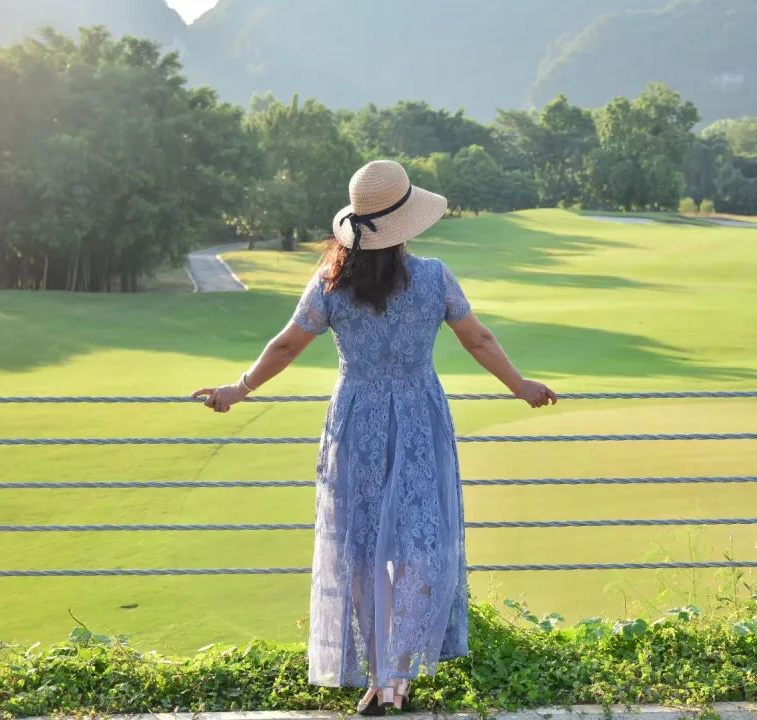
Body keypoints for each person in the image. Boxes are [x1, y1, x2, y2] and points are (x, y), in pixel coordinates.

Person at [192, 160, 556, 714]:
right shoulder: (434, 277)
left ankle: (379, 676)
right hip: (419, 419)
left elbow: (286, 346)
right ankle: (398, 676)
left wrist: (236, 390)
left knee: (360, 550)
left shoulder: (330, 284)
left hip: (354, 418)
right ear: (407, 224)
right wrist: (520, 386)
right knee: (421, 548)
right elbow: (478, 340)